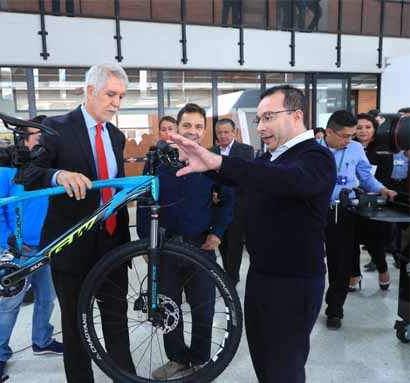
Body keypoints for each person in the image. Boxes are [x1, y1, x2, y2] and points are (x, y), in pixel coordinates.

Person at [167, 85, 336, 383]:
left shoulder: (315, 157)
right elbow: (245, 174)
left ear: (297, 115)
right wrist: (205, 165)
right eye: (258, 119)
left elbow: (286, 179)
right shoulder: (272, 158)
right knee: (265, 362)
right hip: (261, 276)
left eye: (268, 117)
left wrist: (217, 162)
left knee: (283, 367)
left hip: (293, 284)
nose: (261, 127)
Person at [27, 62, 135, 383]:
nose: (117, 103)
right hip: (72, 246)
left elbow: (115, 184)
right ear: (90, 91)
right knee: (76, 326)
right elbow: (30, 174)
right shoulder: (56, 127)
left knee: (117, 321)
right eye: (111, 94)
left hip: (113, 244)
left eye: (121, 96)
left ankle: (125, 378)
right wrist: (59, 175)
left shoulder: (116, 135)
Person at [137, 104, 234, 379]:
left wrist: (218, 232)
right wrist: (146, 239)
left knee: (203, 305)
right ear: (177, 128)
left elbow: (228, 199)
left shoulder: (213, 161)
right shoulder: (157, 159)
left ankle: (201, 358)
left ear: (205, 130)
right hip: (165, 247)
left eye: (198, 126)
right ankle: (178, 358)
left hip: (199, 245)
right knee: (168, 306)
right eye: (187, 126)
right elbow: (144, 198)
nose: (192, 131)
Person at [0, 116, 63, 381]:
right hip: (19, 249)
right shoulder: (9, 170)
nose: (40, 141)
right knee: (10, 304)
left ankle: (42, 340)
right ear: (25, 139)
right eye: (36, 136)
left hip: (47, 247)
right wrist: (7, 241)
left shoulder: (49, 170)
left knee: (47, 298)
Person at [317, 110, 397, 330]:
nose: (349, 140)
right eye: (344, 136)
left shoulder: (354, 149)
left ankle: (334, 309)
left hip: (343, 212)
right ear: (329, 132)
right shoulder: (314, 150)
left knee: (340, 263)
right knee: (312, 262)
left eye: (352, 135)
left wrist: (382, 189)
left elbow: (365, 176)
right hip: (314, 212)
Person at [348, 113, 394, 292]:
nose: (363, 131)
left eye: (368, 127)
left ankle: (383, 269)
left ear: (374, 129)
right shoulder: (349, 146)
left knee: (375, 242)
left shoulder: (383, 149)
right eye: (359, 127)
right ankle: (354, 274)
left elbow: (383, 179)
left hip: (374, 203)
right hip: (351, 201)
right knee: (350, 242)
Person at [210, 118, 254, 286]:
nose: (222, 135)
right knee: (222, 244)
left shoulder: (245, 151)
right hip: (217, 208)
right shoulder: (211, 151)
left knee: (235, 246)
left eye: (226, 132)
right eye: (219, 132)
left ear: (234, 132)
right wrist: (213, 192)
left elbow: (243, 178)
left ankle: (231, 280)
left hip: (237, 207)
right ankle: (227, 276)